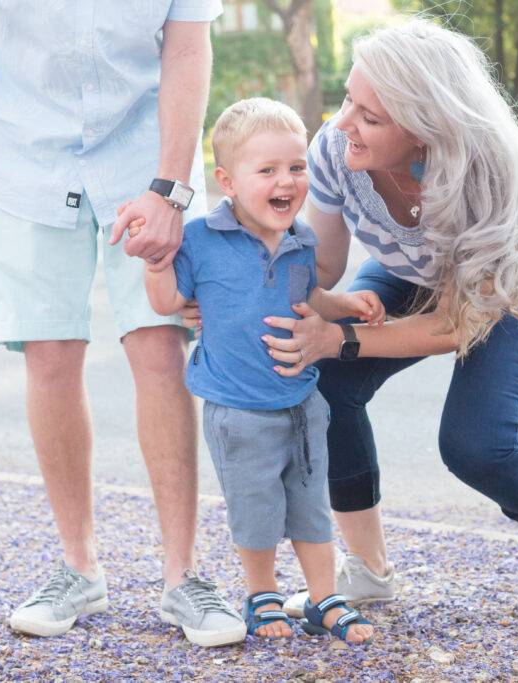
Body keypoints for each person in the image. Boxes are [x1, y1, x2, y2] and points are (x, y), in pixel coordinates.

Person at [0, 0, 248, 647]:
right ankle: (78, 565)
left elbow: (187, 48)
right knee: (49, 352)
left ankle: (183, 576)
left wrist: (172, 189)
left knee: (159, 344)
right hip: (25, 150)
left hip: (148, 149)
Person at [263, 19, 518, 631]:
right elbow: (318, 270)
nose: (343, 121)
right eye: (349, 98)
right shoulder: (335, 149)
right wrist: (233, 282)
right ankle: (368, 570)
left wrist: (340, 337)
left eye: (369, 116)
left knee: (476, 445)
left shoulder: (489, 182)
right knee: (324, 386)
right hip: (412, 269)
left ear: (425, 131)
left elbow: (457, 323)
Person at [136, 98, 381, 643]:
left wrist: (346, 304)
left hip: (301, 402)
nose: (286, 182)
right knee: (257, 510)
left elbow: (308, 297)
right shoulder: (199, 237)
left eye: (295, 168)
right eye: (267, 170)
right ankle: (262, 595)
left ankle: (324, 600)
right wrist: (155, 259)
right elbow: (166, 301)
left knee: (311, 503)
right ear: (228, 180)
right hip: (238, 409)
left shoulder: (302, 240)